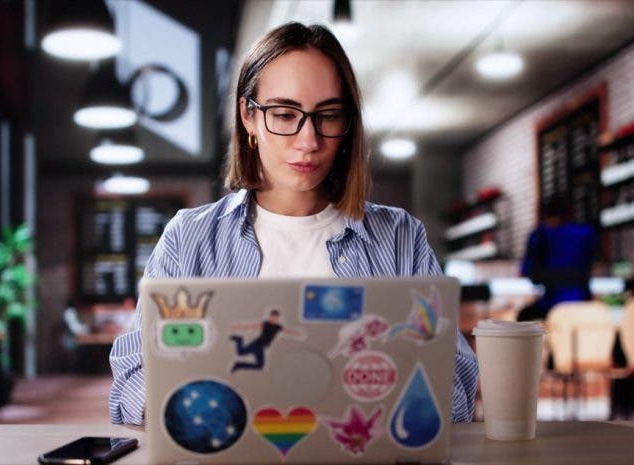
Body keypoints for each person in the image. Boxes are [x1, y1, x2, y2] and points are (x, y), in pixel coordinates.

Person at [109, 22, 478, 424]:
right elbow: (132, 371)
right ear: (248, 117)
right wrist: (181, 412)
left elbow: (455, 379)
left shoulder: (399, 238)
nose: (309, 141)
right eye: (284, 114)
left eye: (329, 116)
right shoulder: (190, 238)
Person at [517, 197, 598, 322]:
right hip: (583, 303)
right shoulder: (587, 232)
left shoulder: (539, 234)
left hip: (552, 306)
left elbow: (528, 272)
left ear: (545, 215)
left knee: (524, 316)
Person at [229, 309, 303, 372]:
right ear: (270, 316)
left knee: (259, 366)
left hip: (261, 347)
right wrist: (239, 327)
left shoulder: (278, 327)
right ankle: (239, 340)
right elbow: (252, 326)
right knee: (242, 353)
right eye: (272, 316)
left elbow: (287, 331)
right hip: (257, 344)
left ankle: (239, 363)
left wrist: (296, 333)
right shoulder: (266, 323)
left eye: (275, 317)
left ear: (277, 318)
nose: (273, 318)